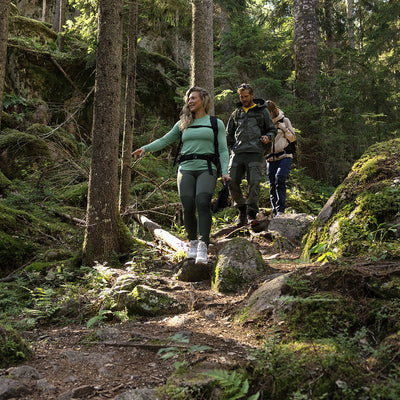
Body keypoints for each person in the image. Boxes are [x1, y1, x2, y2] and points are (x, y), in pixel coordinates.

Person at [132, 87, 231, 264]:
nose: (190, 101)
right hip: (185, 168)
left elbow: (223, 150)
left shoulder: (216, 123)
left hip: (207, 168)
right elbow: (164, 140)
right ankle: (193, 243)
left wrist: (225, 171)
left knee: (202, 202)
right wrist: (145, 149)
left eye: (193, 98)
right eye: (188, 99)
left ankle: (203, 245)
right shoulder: (183, 123)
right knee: (187, 205)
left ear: (203, 100)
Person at [226, 83, 276, 227]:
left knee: (254, 182)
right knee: (232, 180)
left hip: (255, 152)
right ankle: (241, 210)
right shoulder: (236, 113)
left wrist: (268, 137)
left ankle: (251, 213)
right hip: (237, 152)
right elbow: (229, 133)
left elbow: (272, 130)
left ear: (252, 95)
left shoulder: (262, 111)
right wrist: (230, 148)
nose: (243, 99)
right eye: (241, 97)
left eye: (246, 96)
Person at [264, 100, 297, 217]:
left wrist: (284, 129)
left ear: (273, 110)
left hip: (285, 156)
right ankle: (275, 212)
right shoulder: (265, 124)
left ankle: (281, 210)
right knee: (272, 184)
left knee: (280, 178)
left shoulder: (285, 120)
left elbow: (293, 138)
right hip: (270, 158)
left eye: (268, 112)